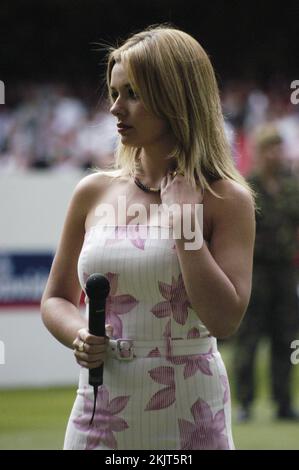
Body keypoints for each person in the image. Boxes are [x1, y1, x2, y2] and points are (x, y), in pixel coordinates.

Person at [40, 25, 255, 450]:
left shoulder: (227, 199)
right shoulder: (92, 191)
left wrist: (183, 224)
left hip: (192, 414)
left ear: (177, 97)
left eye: (133, 94)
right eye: (115, 92)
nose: (116, 108)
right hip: (98, 411)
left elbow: (224, 319)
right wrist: (78, 335)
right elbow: (56, 299)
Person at [233, 124, 299, 422]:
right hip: (255, 272)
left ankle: (283, 403)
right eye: (270, 148)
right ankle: (245, 403)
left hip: (285, 272)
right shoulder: (248, 187)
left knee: (284, 338)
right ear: (259, 152)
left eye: (279, 148)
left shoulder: (292, 185)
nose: (276, 154)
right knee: (248, 338)